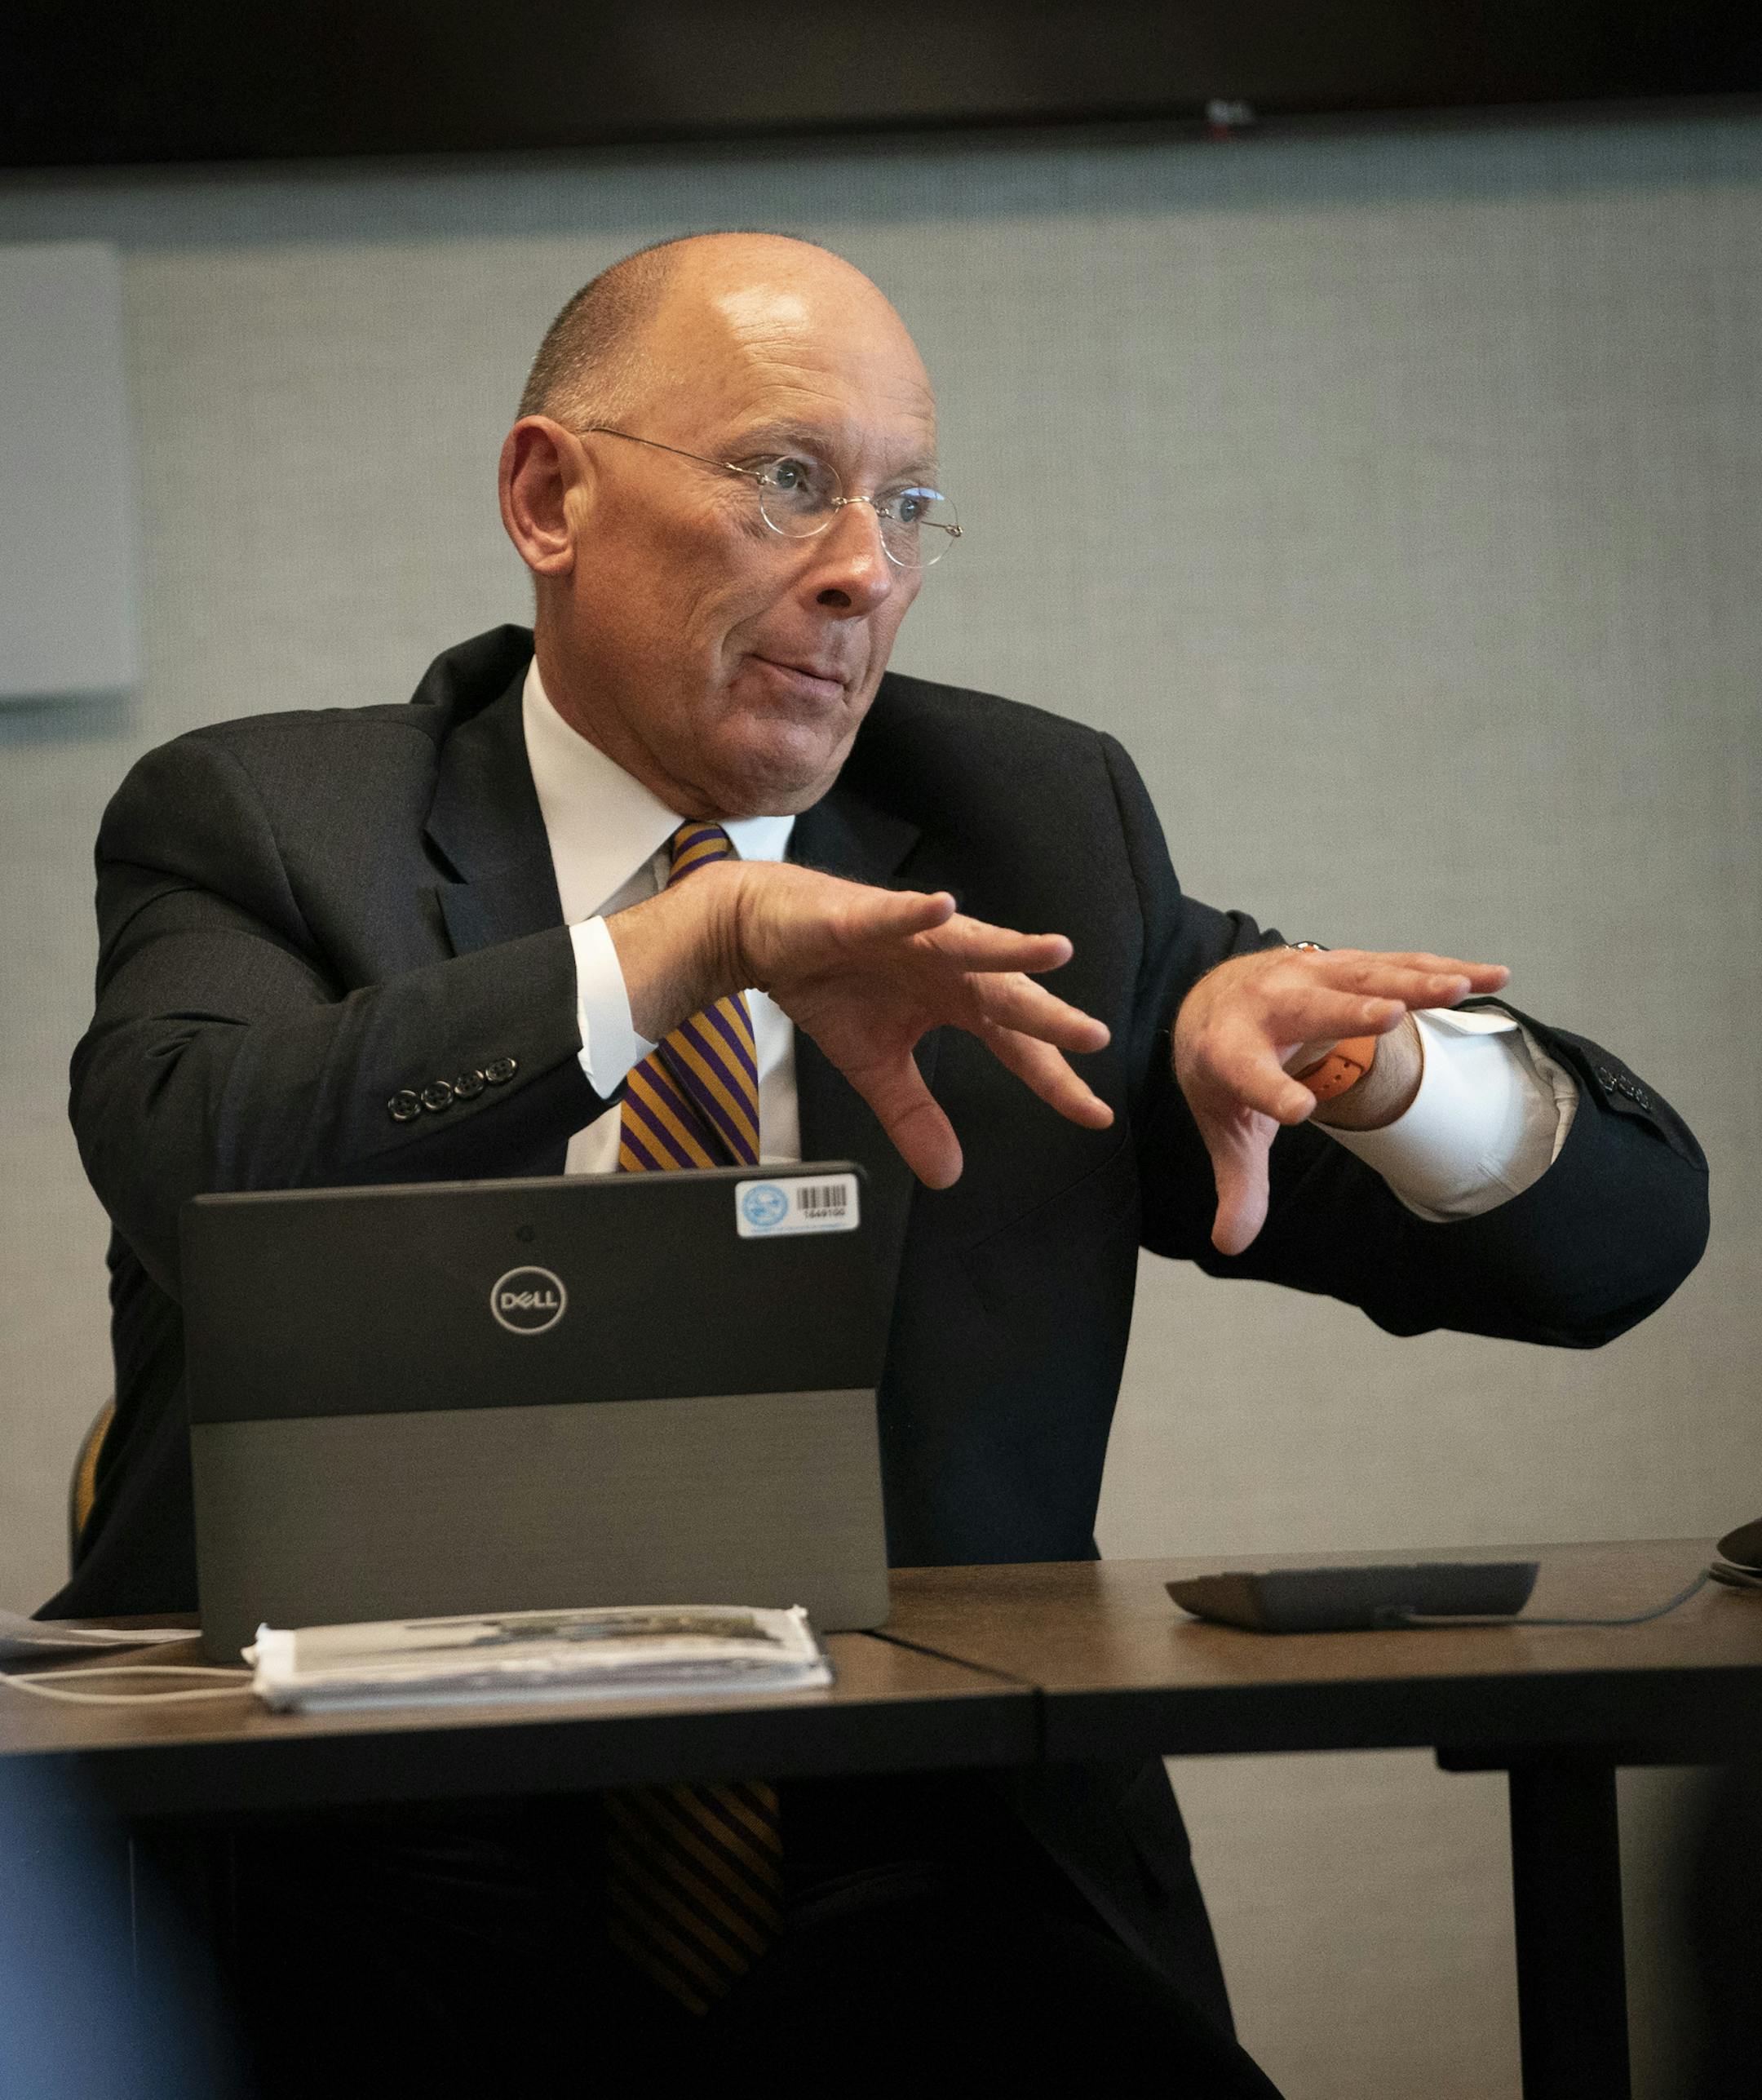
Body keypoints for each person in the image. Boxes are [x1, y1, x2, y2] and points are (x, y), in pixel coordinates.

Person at [46, 233, 1708, 2090]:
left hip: (923, 1865)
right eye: (785, 482)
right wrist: (693, 939)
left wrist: (1389, 1075)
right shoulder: (272, 824)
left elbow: (1614, 1252)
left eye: (907, 506)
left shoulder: (1030, 838)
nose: (862, 571)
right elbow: (206, 1167)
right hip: (364, 1863)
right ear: (549, 495)